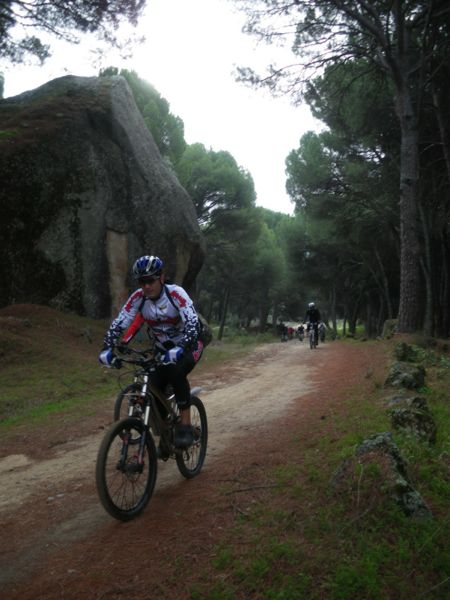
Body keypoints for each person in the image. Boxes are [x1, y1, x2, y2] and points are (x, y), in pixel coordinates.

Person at [99, 255, 204, 449]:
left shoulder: (176, 294)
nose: (146, 286)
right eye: (142, 282)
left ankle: (185, 426)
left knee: (175, 372)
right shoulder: (138, 299)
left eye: (150, 280)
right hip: (163, 350)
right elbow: (120, 323)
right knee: (153, 386)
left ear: (161, 278)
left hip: (190, 345)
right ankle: (166, 432)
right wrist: (107, 347)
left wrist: (181, 347)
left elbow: (192, 323)